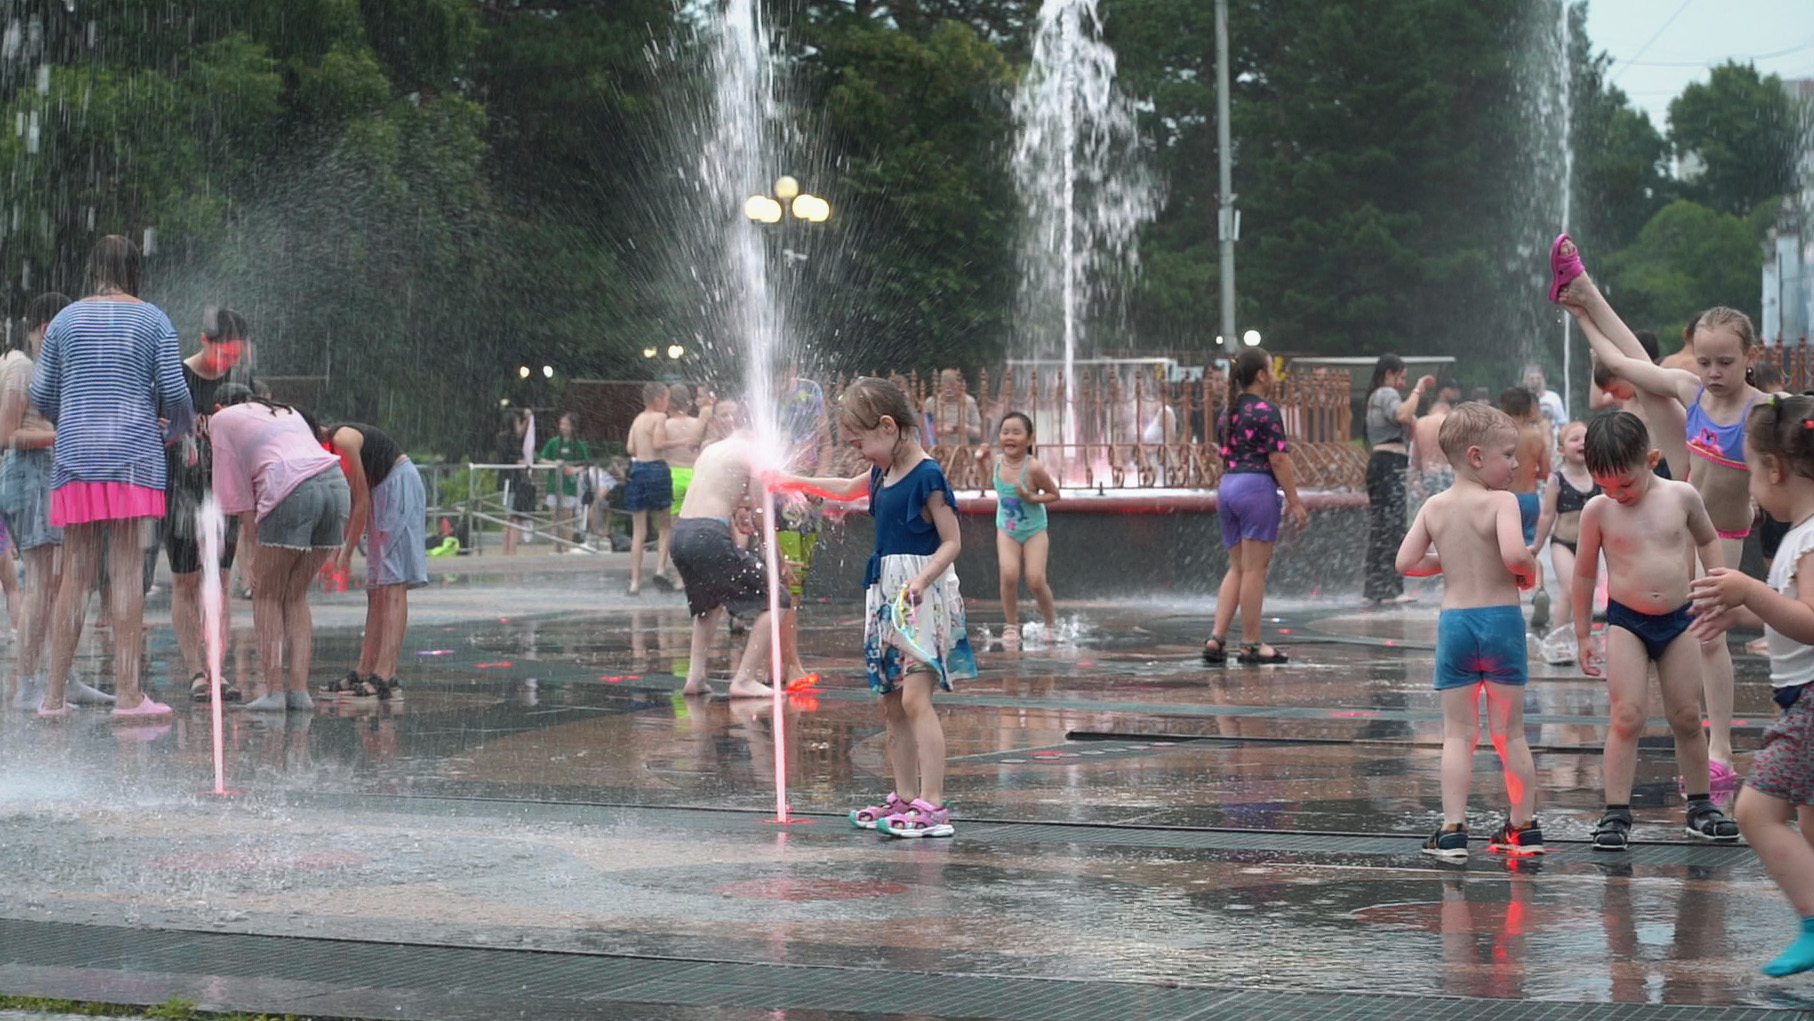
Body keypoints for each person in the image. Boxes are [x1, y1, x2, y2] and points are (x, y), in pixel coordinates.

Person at [1556, 234, 1752, 787]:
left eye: (1724, 361)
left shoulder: (1762, 410)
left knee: (1709, 634)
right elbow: (1622, 365)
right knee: (1647, 380)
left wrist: (1765, 492)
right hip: (1684, 493)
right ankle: (1583, 290)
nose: (1713, 370)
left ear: (1748, 359)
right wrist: (1580, 318)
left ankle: (1720, 745)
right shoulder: (1694, 391)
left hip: (1719, 527)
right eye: (1705, 360)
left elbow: (1785, 448)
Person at [773, 377, 976, 838]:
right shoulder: (883, 472)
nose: (858, 452)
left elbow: (952, 541)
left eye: (860, 442)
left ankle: (934, 806)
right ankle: (905, 797)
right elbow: (848, 487)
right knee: (891, 702)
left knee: (916, 699)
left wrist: (922, 580)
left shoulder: (927, 476)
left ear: (888, 426)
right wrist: (793, 481)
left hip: (921, 597)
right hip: (886, 594)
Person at [32, 235, 194, 717]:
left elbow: (42, 392)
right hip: (134, 458)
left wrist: (70, 419)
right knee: (125, 573)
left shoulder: (65, 319)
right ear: (134, 270)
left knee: (75, 576)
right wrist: (173, 431)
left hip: (76, 458)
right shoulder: (153, 318)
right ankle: (127, 695)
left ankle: (53, 697)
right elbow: (176, 391)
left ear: (93, 269)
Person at [1688, 393, 1814, 977]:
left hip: (1809, 705)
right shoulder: (1800, 535)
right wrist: (1742, 612)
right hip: (1801, 699)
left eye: (1750, 476)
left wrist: (1750, 590)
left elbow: (1810, 621)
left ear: (1774, 469)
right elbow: (1789, 611)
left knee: (1755, 811)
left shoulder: (1810, 540)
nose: (1750, 492)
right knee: (1808, 823)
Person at [1570, 411, 1738, 849]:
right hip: (1627, 621)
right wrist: (1584, 634)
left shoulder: (1681, 496)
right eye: (1604, 486)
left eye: (1624, 484)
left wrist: (1717, 585)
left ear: (1651, 458)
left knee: (1686, 715)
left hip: (1679, 619)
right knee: (1627, 716)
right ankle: (1615, 812)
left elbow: (1707, 539)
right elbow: (1584, 574)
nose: (1616, 494)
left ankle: (1700, 806)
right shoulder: (1598, 511)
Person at [1395, 402, 1542, 858]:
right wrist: (1529, 571)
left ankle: (1453, 829)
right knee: (1510, 733)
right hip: (1501, 623)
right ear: (1476, 457)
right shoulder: (1501, 502)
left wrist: (1450, 562)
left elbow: (1405, 562)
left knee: (1458, 734)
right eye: (1508, 455)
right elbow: (1514, 555)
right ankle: (1523, 828)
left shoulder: (1434, 506)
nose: (1515, 464)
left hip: (1456, 624)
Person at [209, 387, 349, 711]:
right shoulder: (286, 411)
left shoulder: (221, 420)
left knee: (267, 595)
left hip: (291, 489)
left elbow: (240, 501)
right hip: (335, 485)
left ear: (216, 407)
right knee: (295, 595)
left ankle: (273, 691)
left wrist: (253, 556)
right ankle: (299, 692)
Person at [670, 414, 812, 699]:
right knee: (779, 600)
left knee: (708, 604)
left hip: (681, 534)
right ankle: (744, 679)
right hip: (708, 536)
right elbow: (761, 512)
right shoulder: (753, 452)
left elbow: (715, 493)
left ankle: (695, 678)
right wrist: (779, 558)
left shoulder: (712, 450)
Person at [164, 307, 255, 704]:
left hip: (224, 493)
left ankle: (218, 667)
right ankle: (195, 671)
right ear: (204, 340)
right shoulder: (176, 378)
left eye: (236, 355)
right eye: (223, 354)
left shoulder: (240, 381)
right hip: (181, 492)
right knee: (186, 582)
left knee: (220, 580)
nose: (228, 362)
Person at [1205, 348, 1307, 665]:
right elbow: (1278, 459)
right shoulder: (1266, 411)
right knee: (1254, 570)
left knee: (1237, 567)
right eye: (1271, 370)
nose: (1274, 376)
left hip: (1228, 488)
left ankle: (1216, 639)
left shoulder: (1228, 413)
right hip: (1256, 490)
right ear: (1261, 376)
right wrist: (1295, 501)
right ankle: (1250, 644)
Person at [321, 421, 424, 700]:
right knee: (376, 589)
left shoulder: (342, 440)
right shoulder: (330, 450)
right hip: (382, 490)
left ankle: (386, 674)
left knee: (392, 585)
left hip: (397, 485)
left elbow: (360, 501)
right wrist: (338, 548)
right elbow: (352, 501)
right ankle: (366, 668)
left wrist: (346, 553)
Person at [0, 293, 68, 711]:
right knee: (42, 582)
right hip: (29, 477)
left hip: (36, 477)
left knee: (53, 582)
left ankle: (57, 678)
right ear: (47, 329)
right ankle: (28, 683)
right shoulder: (23, 366)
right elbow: (6, 434)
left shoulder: (28, 365)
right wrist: (65, 436)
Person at [1363, 354, 1432, 605]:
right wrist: (1418, 390)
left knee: (1381, 526)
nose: (1403, 384)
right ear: (1389, 374)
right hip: (1389, 464)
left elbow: (1409, 427)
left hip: (1380, 464)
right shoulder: (1387, 393)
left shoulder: (1376, 396)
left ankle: (1373, 589)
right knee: (1393, 525)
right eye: (1402, 377)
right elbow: (1403, 416)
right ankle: (1392, 589)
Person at [993, 411, 1060, 647]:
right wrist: (980, 462)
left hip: (1034, 530)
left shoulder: (1033, 468)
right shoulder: (996, 462)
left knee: (1035, 579)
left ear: (1029, 439)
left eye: (1016, 432)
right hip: (1006, 529)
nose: (1009, 437)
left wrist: (1030, 497)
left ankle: (1050, 623)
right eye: (1005, 432)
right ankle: (1011, 625)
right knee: (1009, 574)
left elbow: (1054, 494)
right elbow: (987, 484)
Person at [1529, 422, 1597, 651]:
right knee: (1569, 590)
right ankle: (1556, 640)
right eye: (1574, 439)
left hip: (1589, 546)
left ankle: (1583, 640)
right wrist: (1537, 546)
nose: (1582, 443)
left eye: (1586, 438)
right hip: (1563, 544)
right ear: (1561, 449)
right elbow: (1547, 515)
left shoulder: (1597, 475)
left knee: (1586, 594)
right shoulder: (1556, 479)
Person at [1500, 387, 1552, 629]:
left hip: (1504, 497)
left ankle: (1507, 599)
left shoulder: (1499, 437)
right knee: (1530, 548)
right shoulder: (1535, 437)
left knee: (1504, 549)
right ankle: (1538, 588)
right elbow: (1546, 471)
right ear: (1529, 409)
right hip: (1530, 498)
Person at [623, 385, 674, 595]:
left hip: (638, 470)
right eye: (667, 399)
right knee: (665, 524)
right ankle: (660, 569)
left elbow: (630, 448)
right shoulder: (660, 417)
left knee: (638, 530)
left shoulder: (637, 419)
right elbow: (658, 443)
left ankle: (635, 581)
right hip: (656, 468)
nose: (668, 404)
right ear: (658, 399)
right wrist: (682, 442)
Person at [663, 383, 705, 567]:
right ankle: (695, 561)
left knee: (673, 526)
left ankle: (676, 564)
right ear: (689, 403)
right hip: (694, 475)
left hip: (673, 475)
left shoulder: (665, 425)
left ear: (669, 404)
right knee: (695, 523)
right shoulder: (697, 424)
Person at [1408, 378, 1458, 518]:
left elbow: (1415, 461)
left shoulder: (1420, 423)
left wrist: (1415, 485)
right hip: (1449, 475)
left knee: (1433, 517)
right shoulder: (1451, 421)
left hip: (1429, 476)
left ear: (1431, 409)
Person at [539, 411, 590, 546]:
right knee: (555, 517)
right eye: (561, 424)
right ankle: (556, 546)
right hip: (553, 484)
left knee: (567, 517)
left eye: (566, 425)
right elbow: (542, 459)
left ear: (573, 427)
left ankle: (567, 546)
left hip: (569, 484)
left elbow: (585, 464)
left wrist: (574, 469)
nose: (563, 427)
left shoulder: (578, 444)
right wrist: (554, 463)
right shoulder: (553, 442)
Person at [497, 409, 535, 555]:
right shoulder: (513, 441)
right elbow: (520, 462)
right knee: (514, 518)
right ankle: (511, 552)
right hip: (513, 483)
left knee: (508, 518)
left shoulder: (501, 439)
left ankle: (505, 551)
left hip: (504, 481)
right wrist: (528, 475)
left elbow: (520, 432)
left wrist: (527, 420)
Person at [1521, 363, 1567, 435]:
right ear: (1525, 381)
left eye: (1538, 378)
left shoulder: (1554, 397)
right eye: (1532, 379)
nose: (1536, 381)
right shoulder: (1521, 399)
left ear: (1544, 379)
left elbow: (1562, 422)